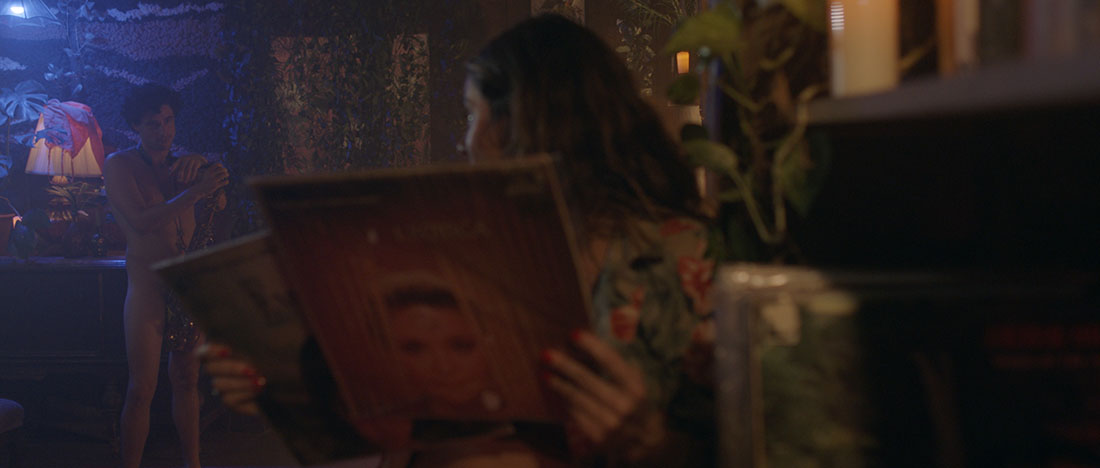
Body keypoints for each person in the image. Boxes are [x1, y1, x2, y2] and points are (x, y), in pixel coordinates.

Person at [201, 13, 716, 467]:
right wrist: (274, 386)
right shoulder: (461, 250)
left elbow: (734, 440)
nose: (467, 140)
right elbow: (393, 411)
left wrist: (652, 442)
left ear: (521, 122)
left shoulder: (683, 259)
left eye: (473, 114)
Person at [104, 83, 229, 468]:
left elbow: (221, 199)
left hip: (187, 285)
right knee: (141, 389)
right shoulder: (119, 164)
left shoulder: (184, 165)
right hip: (147, 289)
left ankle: (193, 463)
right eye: (153, 124)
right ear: (136, 127)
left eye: (169, 121)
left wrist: (206, 169)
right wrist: (195, 191)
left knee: (188, 380)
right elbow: (141, 222)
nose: (164, 131)